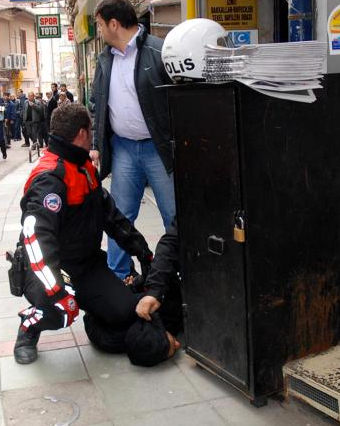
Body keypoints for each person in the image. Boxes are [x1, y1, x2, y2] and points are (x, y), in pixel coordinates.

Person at [11, 103, 155, 365]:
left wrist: (143, 251)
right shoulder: (50, 178)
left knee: (125, 312)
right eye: (91, 130)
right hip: (47, 270)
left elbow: (111, 216)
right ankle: (29, 325)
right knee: (61, 311)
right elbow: (36, 242)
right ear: (81, 133)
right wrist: (56, 292)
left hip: (86, 265)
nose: (92, 135)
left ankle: (90, 308)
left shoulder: (84, 167)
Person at [91, 0, 176, 280]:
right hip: (123, 148)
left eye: (100, 25)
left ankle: (177, 275)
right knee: (119, 217)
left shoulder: (159, 51)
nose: (99, 31)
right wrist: (96, 145)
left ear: (114, 23)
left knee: (174, 216)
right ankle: (119, 276)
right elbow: (97, 105)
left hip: (158, 148)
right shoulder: (104, 60)